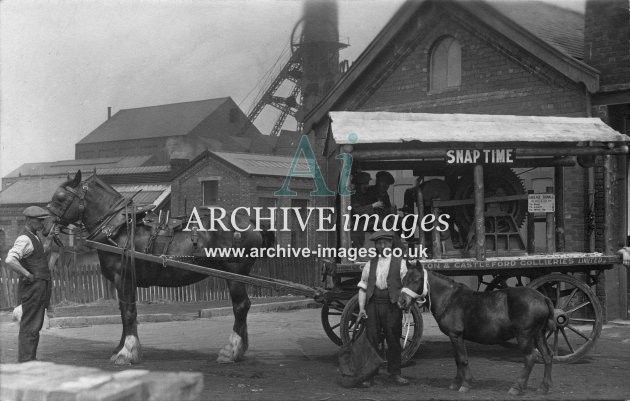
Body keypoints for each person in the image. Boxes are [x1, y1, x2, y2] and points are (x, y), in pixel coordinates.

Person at [357, 230, 410, 387]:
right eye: (379, 243)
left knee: (393, 338)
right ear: (376, 246)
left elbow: (406, 287)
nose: (382, 245)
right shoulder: (370, 263)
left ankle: (395, 373)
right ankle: (370, 375)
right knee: (372, 338)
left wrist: (405, 306)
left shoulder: (400, 262)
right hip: (373, 304)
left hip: (391, 304)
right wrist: (361, 308)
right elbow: (363, 287)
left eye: (385, 243)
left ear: (391, 244)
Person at [5, 206, 55, 362]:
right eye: (39, 221)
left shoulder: (34, 236)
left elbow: (41, 252)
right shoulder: (24, 238)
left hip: (39, 288)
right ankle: (26, 361)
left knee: (35, 325)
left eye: (43, 221)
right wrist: (27, 274)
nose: (42, 224)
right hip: (33, 288)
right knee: (30, 326)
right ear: (29, 220)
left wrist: (50, 238)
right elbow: (10, 259)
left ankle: (29, 359)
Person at [350, 172, 384, 248]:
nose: (367, 186)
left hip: (365, 222)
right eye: (364, 184)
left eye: (367, 183)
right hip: (357, 223)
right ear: (358, 185)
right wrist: (373, 206)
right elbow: (357, 211)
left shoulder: (364, 194)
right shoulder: (354, 196)